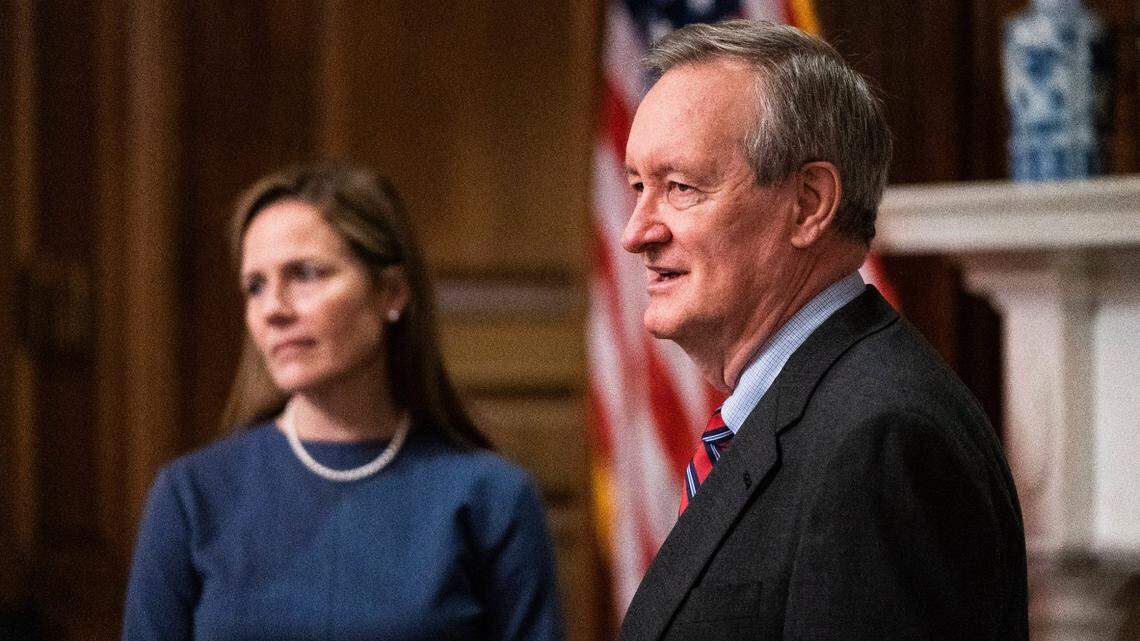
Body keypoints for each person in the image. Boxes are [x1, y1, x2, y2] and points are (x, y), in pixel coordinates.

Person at [617, 20, 1028, 641]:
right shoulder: (816, 408)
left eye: (679, 188)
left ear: (808, 204)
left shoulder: (880, 440)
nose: (635, 232)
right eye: (637, 188)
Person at [122, 164, 565, 641]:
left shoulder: (492, 497)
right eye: (256, 285)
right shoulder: (191, 496)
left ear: (392, 293)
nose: (273, 309)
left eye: (305, 274)